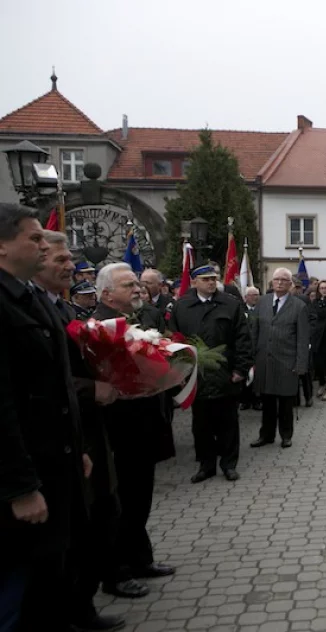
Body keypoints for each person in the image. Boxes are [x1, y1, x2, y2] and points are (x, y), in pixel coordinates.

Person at [0, 205, 87, 632]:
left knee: (50, 571)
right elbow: (2, 406)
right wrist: (20, 487)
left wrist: (77, 449)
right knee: (21, 590)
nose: (44, 243)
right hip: (25, 477)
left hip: (55, 460)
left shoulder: (30, 297)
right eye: (34, 238)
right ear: (2, 246)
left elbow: (58, 387)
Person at [33, 231, 124, 632]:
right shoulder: (30, 308)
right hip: (54, 442)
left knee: (92, 522)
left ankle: (81, 606)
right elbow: (39, 381)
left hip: (82, 435)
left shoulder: (64, 309)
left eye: (71, 258)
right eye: (61, 258)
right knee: (67, 536)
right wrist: (94, 388)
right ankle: (70, 611)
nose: (70, 265)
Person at [94, 263, 176, 599]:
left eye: (138, 284)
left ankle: (141, 559)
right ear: (107, 293)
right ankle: (117, 572)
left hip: (143, 424)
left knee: (140, 497)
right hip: (120, 428)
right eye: (129, 285)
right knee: (121, 502)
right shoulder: (99, 326)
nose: (138, 289)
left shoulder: (137, 319)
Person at [169, 265, 253, 483]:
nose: (211, 282)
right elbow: (174, 340)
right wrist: (179, 373)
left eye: (213, 279)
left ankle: (228, 464)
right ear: (194, 281)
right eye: (205, 279)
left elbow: (242, 339)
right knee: (201, 424)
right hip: (196, 375)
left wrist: (240, 369)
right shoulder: (182, 307)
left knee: (228, 423)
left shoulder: (230, 304)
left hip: (225, 373)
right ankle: (206, 465)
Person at [251, 268, 312, 449]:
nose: (279, 283)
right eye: (276, 279)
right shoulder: (262, 302)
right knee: (267, 401)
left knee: (286, 403)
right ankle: (266, 435)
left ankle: (286, 435)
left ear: (290, 284)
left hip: (287, 361)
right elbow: (254, 332)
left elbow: (303, 338)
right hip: (265, 360)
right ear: (272, 282)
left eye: (284, 280)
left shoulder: (299, 306)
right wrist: (252, 358)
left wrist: (301, 364)